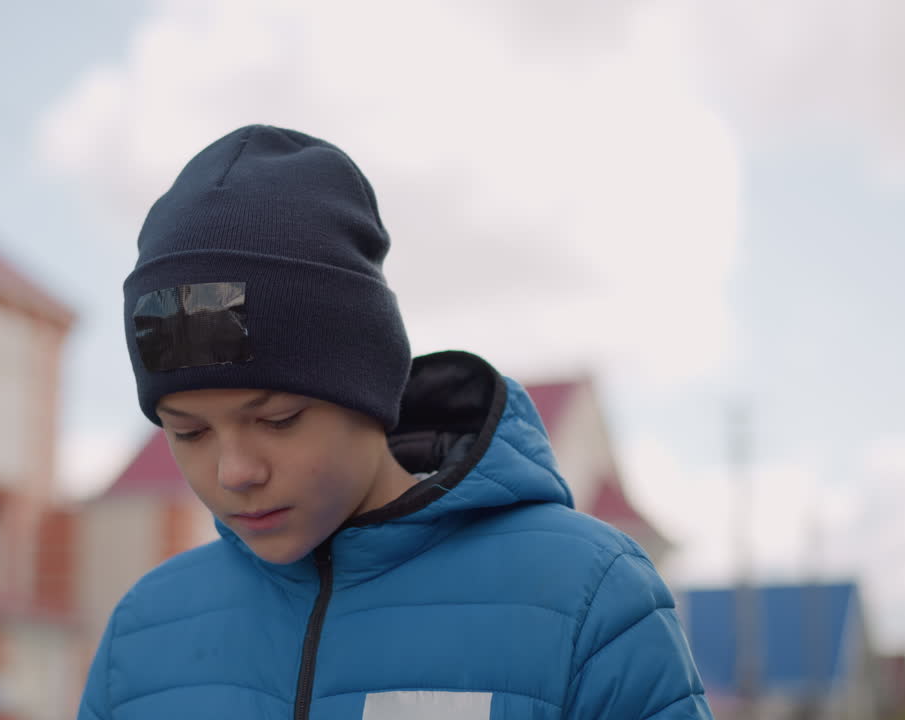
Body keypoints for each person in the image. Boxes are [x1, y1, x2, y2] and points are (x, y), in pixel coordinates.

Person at [78, 125, 711, 719]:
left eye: (279, 419)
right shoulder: (142, 636)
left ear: (371, 388)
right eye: (188, 432)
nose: (234, 471)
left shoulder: (588, 598)